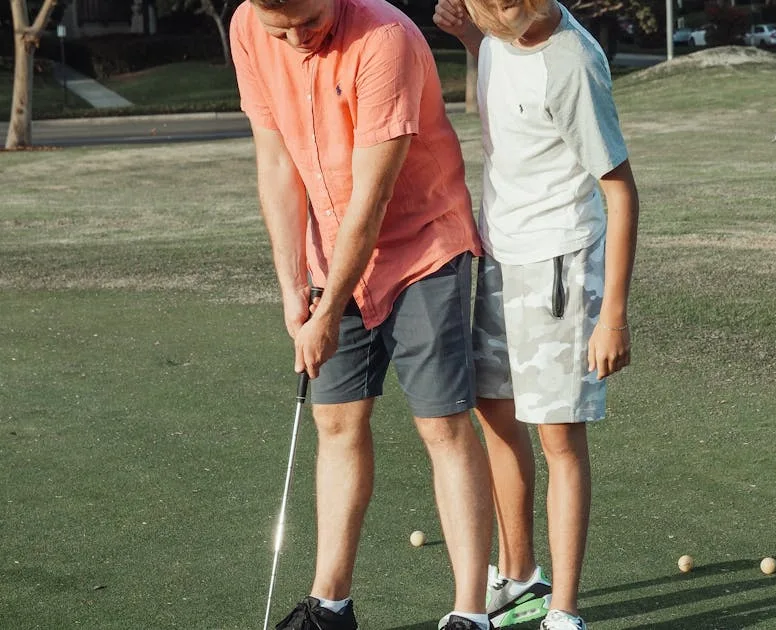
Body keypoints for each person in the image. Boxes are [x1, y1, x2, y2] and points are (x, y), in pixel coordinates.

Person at [229, 0, 495, 628]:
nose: (294, 38)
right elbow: (275, 163)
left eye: (307, 22)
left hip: (422, 245)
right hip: (331, 256)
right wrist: (294, 287)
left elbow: (373, 199)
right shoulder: (248, 27)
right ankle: (330, 605)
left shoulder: (386, 39)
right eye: (280, 28)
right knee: (338, 424)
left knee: (443, 426)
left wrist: (326, 314)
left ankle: (470, 615)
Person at [433, 1, 639, 628]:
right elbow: (512, 94)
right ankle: (519, 578)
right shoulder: (497, 32)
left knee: (559, 436)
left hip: (558, 263)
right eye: (484, 5)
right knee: (495, 412)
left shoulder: (572, 62)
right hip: (500, 253)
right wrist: (474, 38)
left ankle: (564, 613)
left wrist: (613, 317)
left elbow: (620, 190)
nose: (497, 13)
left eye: (507, 5)